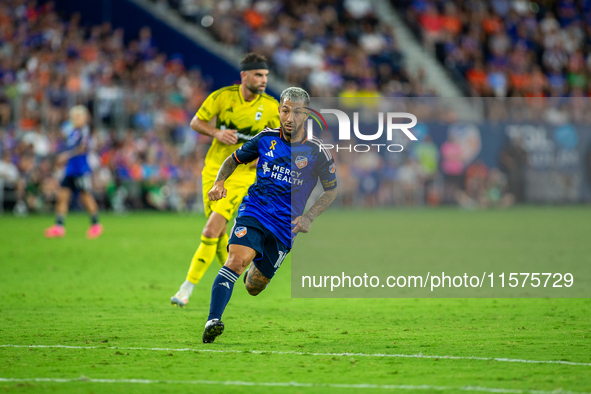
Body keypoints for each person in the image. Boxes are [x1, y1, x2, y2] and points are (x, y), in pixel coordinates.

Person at [201, 87, 338, 343]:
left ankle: (256, 256)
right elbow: (233, 159)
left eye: (296, 112)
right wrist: (219, 182)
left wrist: (309, 217)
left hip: (285, 227)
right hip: (255, 210)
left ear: (306, 115)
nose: (290, 118)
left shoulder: (318, 152)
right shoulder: (265, 139)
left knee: (254, 286)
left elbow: (331, 191)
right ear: (279, 111)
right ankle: (213, 320)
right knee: (236, 262)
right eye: (285, 111)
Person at [170, 53, 281, 307]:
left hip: (242, 177)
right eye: (258, 75)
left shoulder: (271, 107)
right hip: (214, 171)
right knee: (218, 236)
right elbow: (196, 121)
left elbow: (288, 138)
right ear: (244, 76)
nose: (263, 80)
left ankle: (185, 290)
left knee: (210, 229)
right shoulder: (223, 97)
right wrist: (216, 132)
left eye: (265, 76)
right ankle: (230, 276)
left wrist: (263, 157)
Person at [44, 105, 103, 239]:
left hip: (81, 169)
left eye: (78, 116)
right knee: (63, 196)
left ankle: (96, 225)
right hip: (70, 169)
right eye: (74, 117)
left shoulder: (84, 131)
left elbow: (83, 148)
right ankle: (59, 226)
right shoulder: (72, 131)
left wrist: (66, 156)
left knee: (86, 197)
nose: (75, 119)